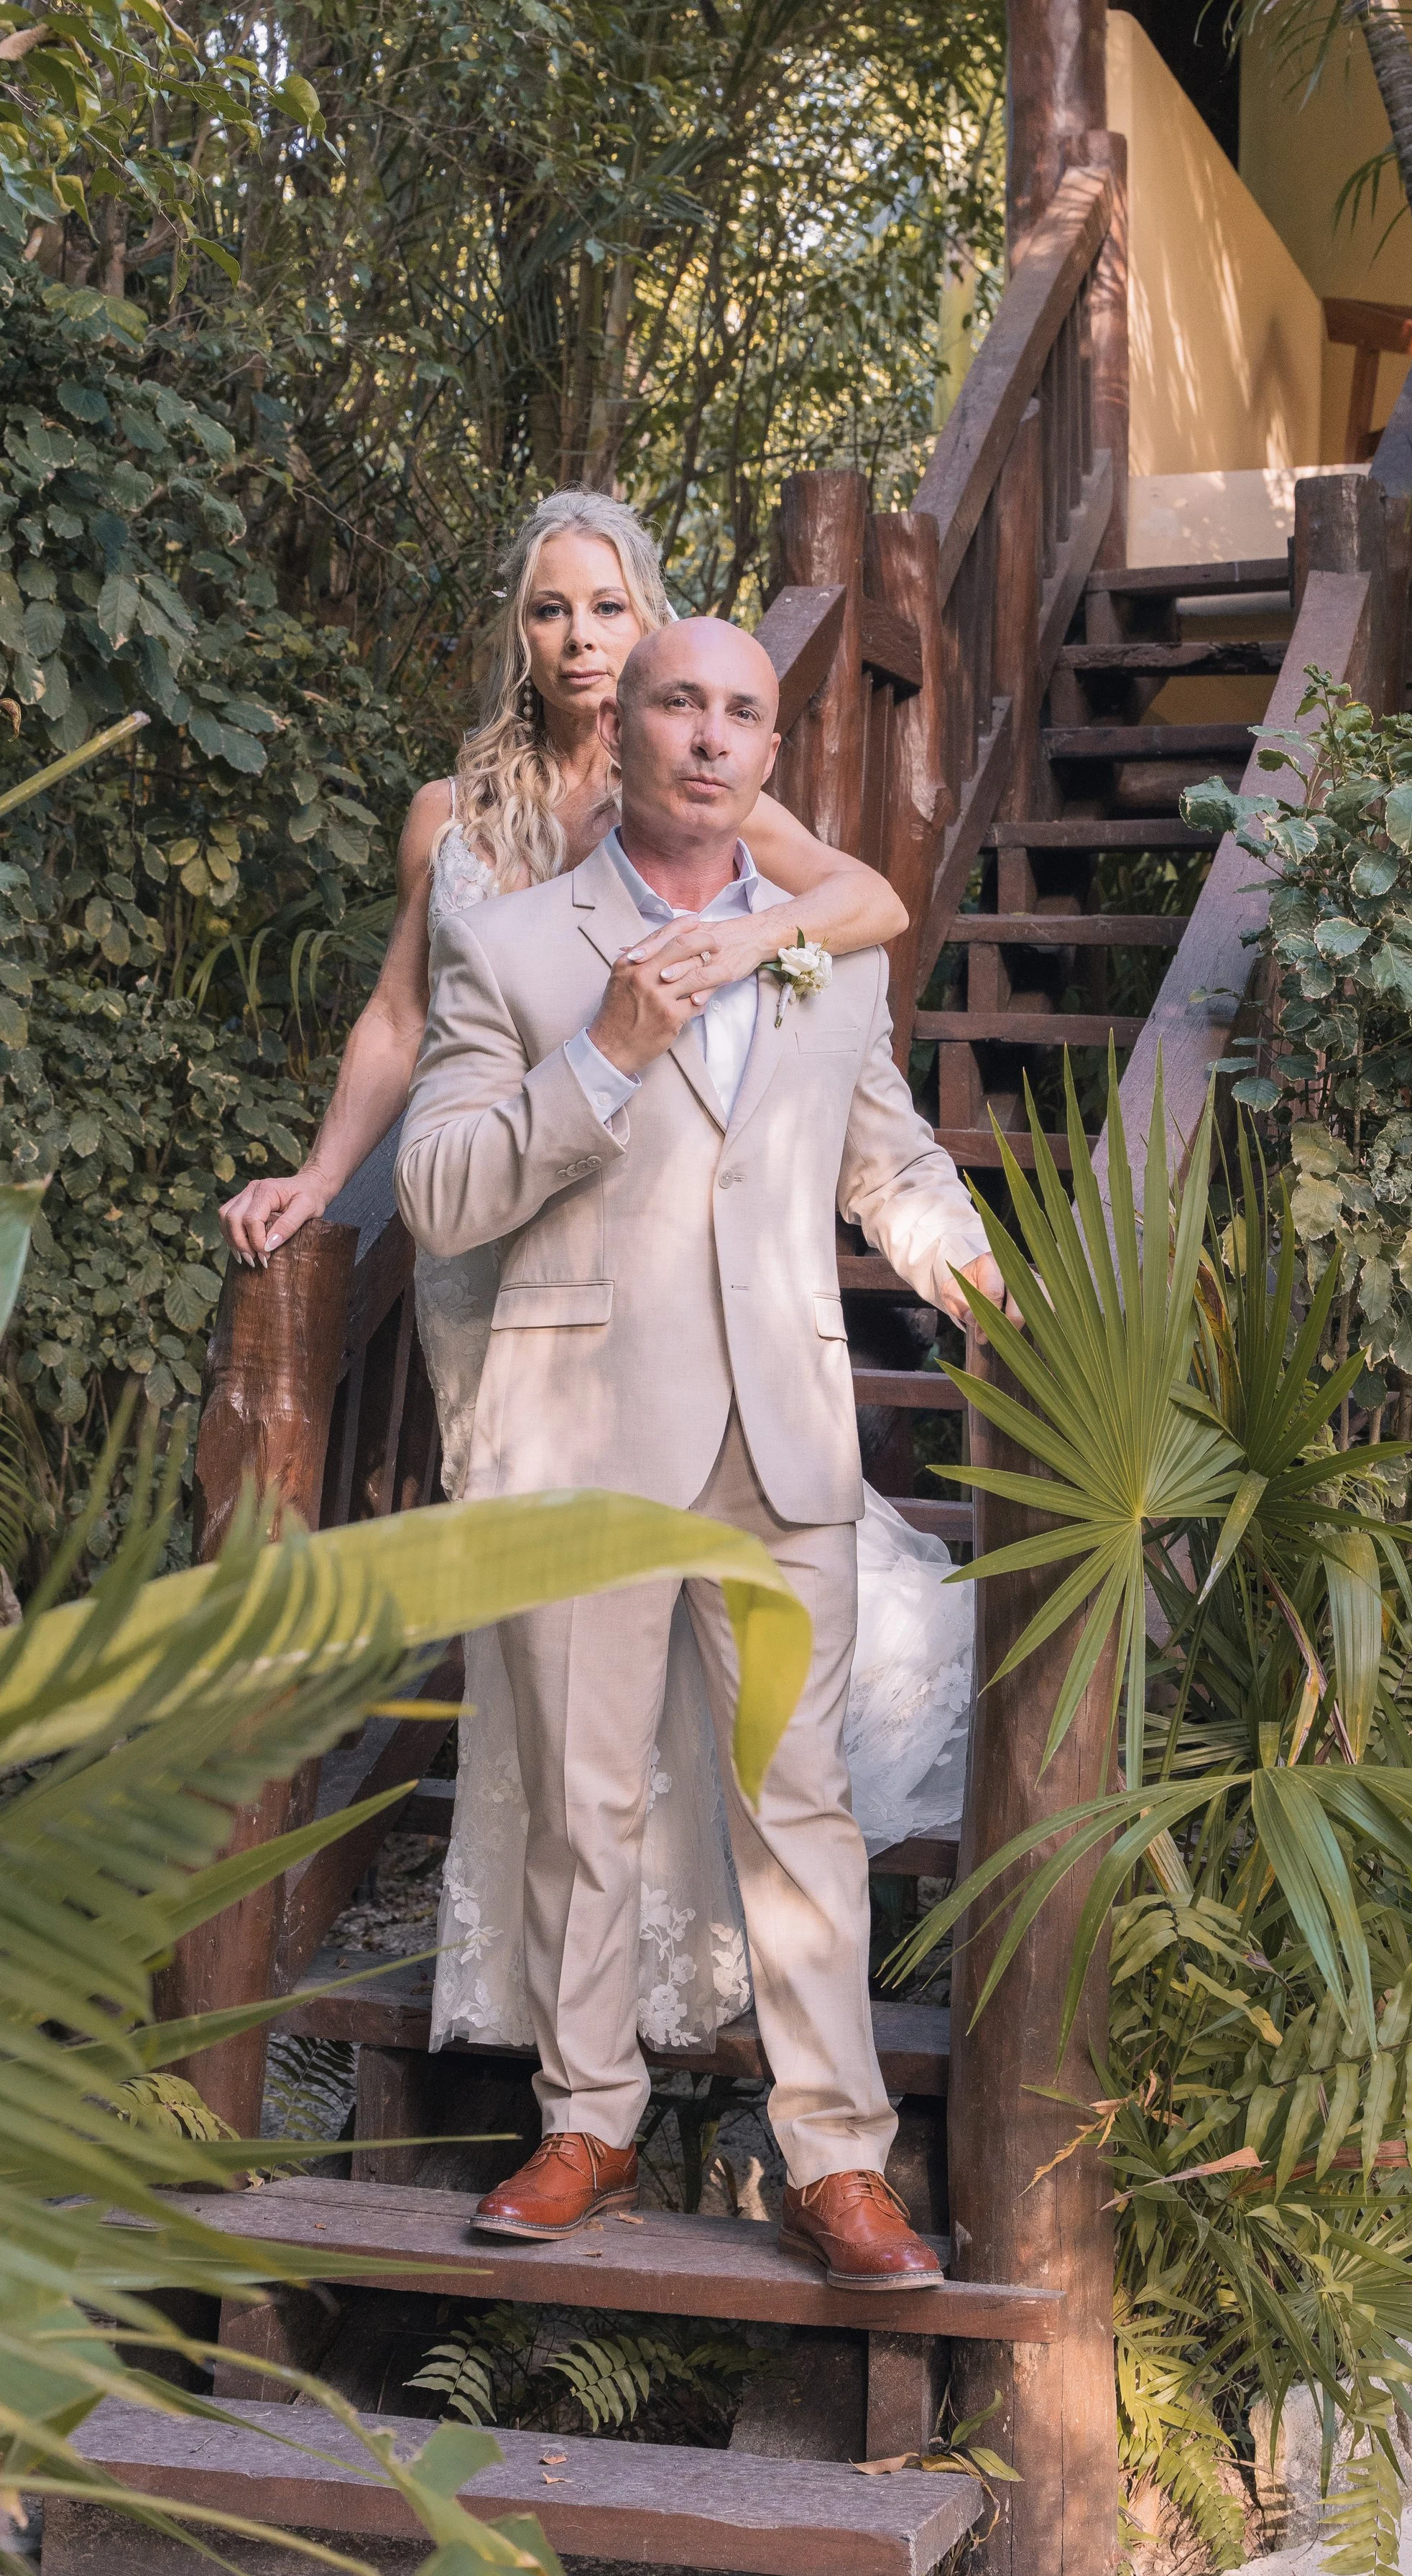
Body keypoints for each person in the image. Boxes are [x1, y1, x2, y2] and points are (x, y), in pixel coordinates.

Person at [221, 490, 974, 2062]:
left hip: (686, 1251)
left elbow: (861, 910)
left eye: (608, 609)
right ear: (525, 630)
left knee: (712, 1678)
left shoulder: (705, 788)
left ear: (650, 630)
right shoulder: (460, 814)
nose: (580, 638)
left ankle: (696, 1976)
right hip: (516, 1284)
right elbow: (397, 1019)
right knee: (555, 1672)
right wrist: (315, 1166)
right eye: (552, 609)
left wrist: (740, 961)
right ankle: (559, 2023)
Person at [394, 616, 1002, 2284]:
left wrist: (973, 1272)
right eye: (683, 704)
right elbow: (442, 1189)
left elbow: (886, 1160)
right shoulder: (515, 946)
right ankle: (584, 2119)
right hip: (581, 1439)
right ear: (629, 728)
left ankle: (835, 2162)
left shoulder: (828, 954)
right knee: (586, 1799)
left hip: (783, 1439)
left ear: (766, 750)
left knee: (792, 1800)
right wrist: (606, 1054)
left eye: (745, 712)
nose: (714, 737)